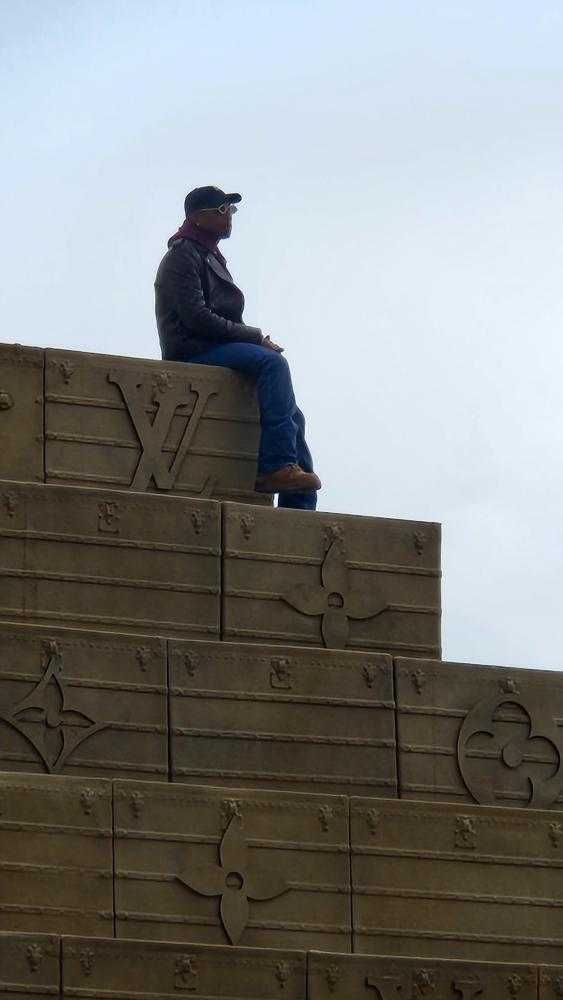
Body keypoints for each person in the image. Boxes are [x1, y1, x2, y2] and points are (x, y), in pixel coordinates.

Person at [155, 185, 321, 510]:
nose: (230, 217)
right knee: (272, 364)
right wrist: (255, 337)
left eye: (231, 210)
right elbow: (198, 318)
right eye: (223, 211)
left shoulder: (207, 254)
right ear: (199, 218)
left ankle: (298, 511)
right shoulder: (181, 256)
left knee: (291, 414)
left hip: (213, 345)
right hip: (193, 349)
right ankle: (276, 467)